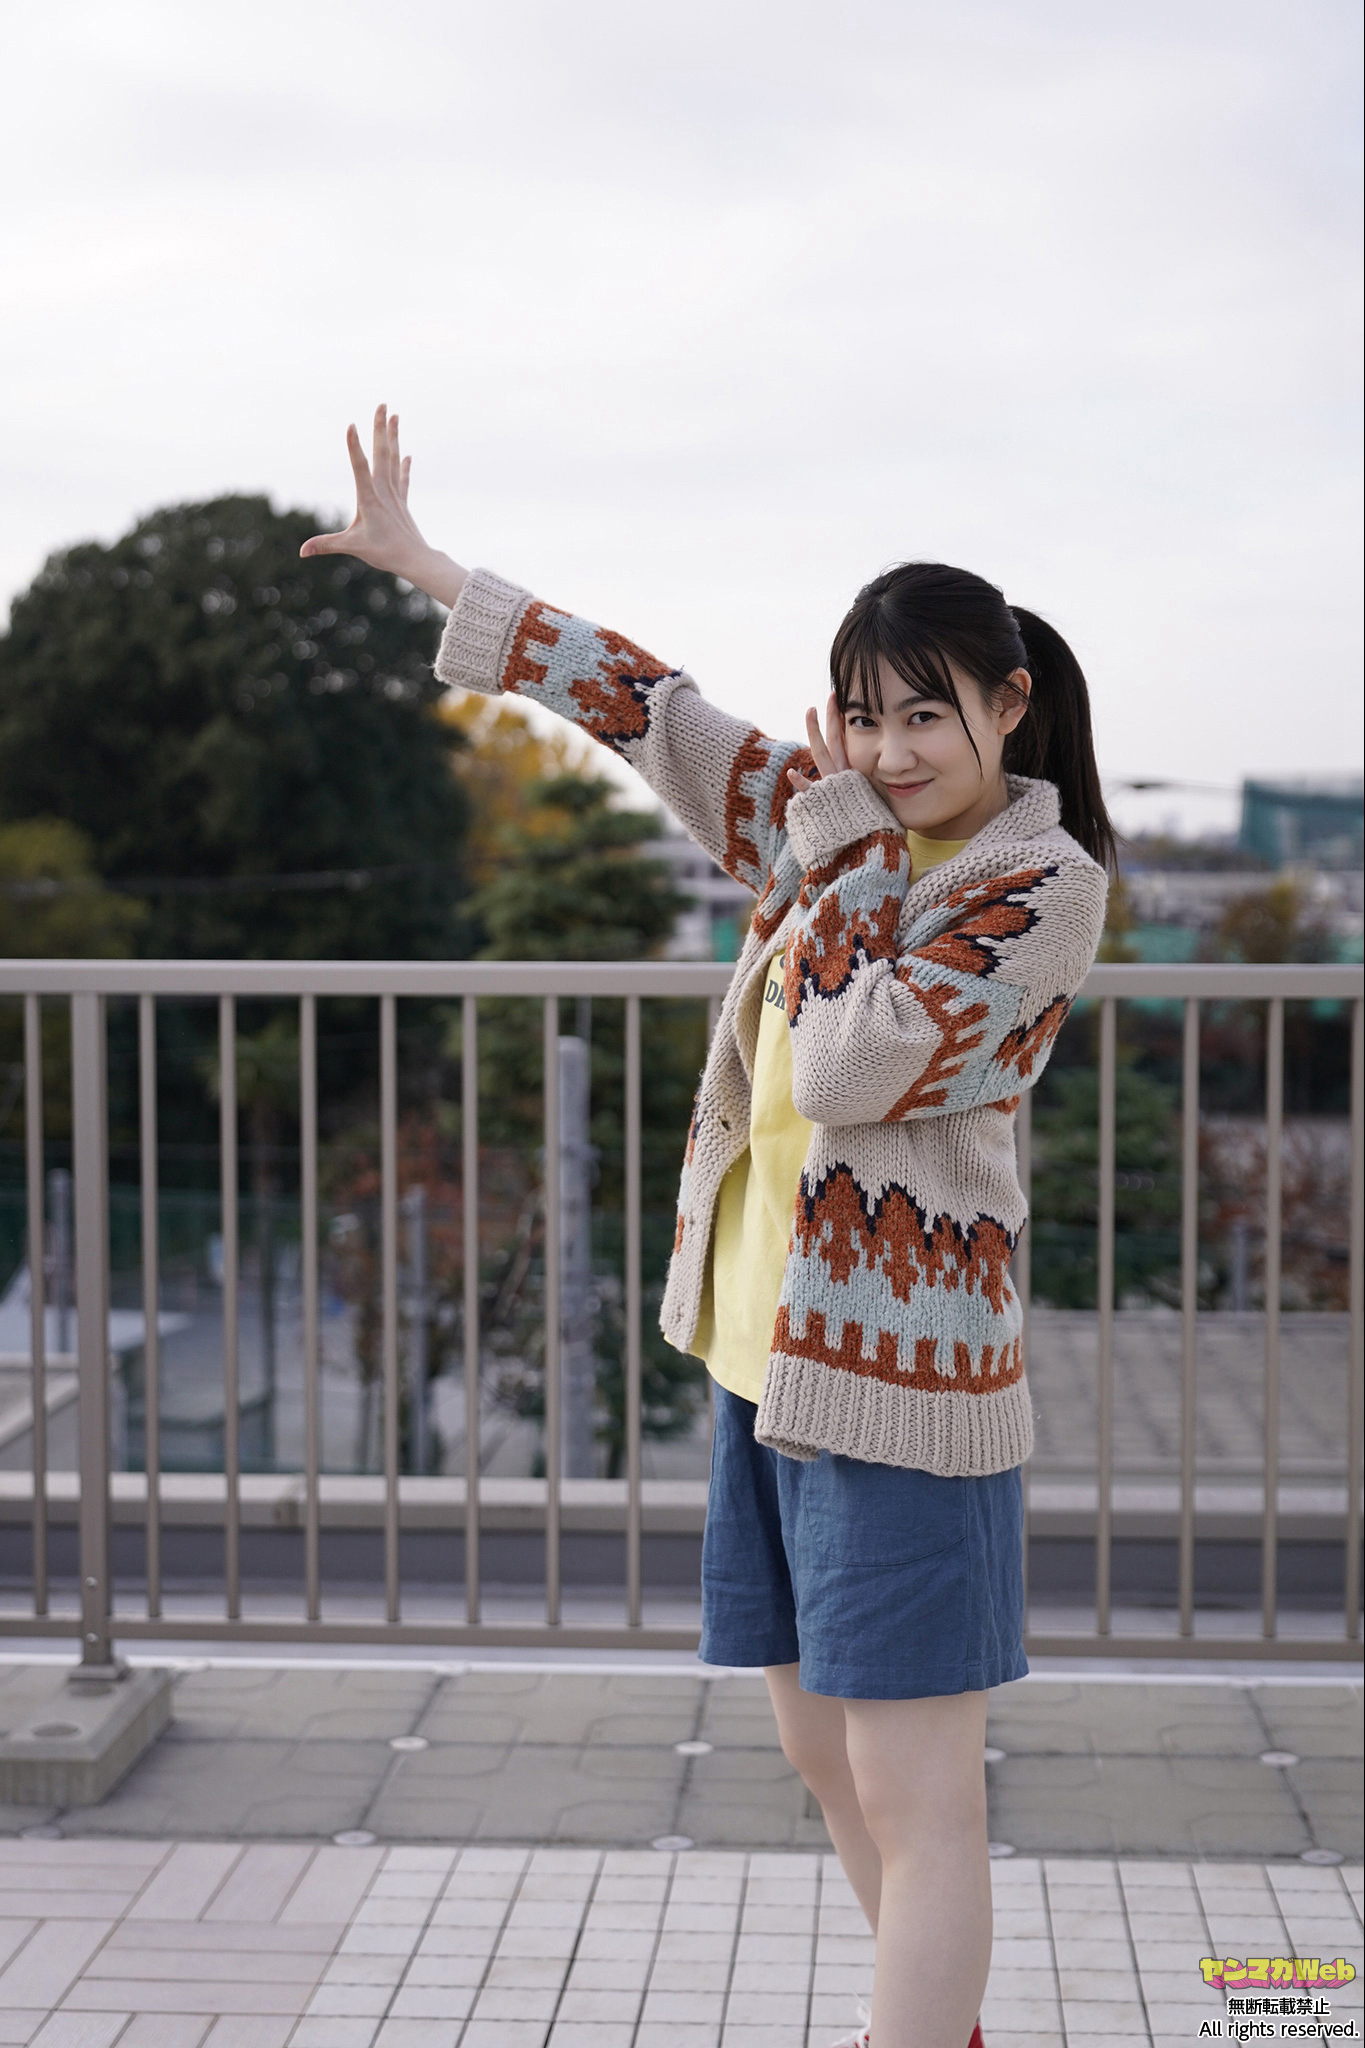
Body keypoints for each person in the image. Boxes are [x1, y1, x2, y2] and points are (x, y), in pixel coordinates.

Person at [303, 406, 1113, 2048]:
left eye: (927, 714)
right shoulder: (831, 822)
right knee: (820, 1751)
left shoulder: (1038, 890)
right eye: (865, 715)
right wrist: (429, 568)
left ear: (1011, 702)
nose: (889, 749)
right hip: (768, 1368)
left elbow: (852, 1061)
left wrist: (844, 854)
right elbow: (647, 707)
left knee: (918, 1790)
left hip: (904, 1390)